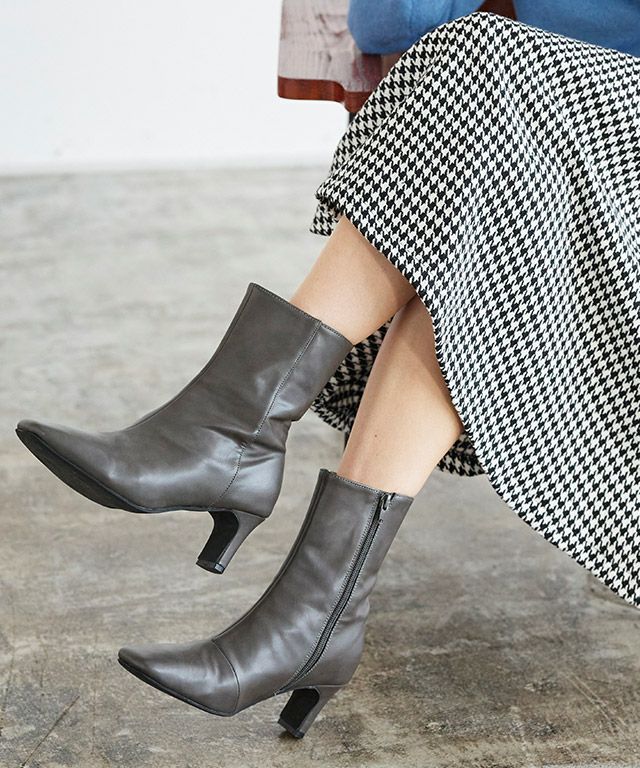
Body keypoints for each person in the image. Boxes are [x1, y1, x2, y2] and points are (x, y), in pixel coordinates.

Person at [15, 2, 640, 740]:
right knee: (488, 162)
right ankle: (310, 611)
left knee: (493, 82)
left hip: (582, 126)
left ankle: (235, 449)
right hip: (562, 132)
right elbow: (394, 23)